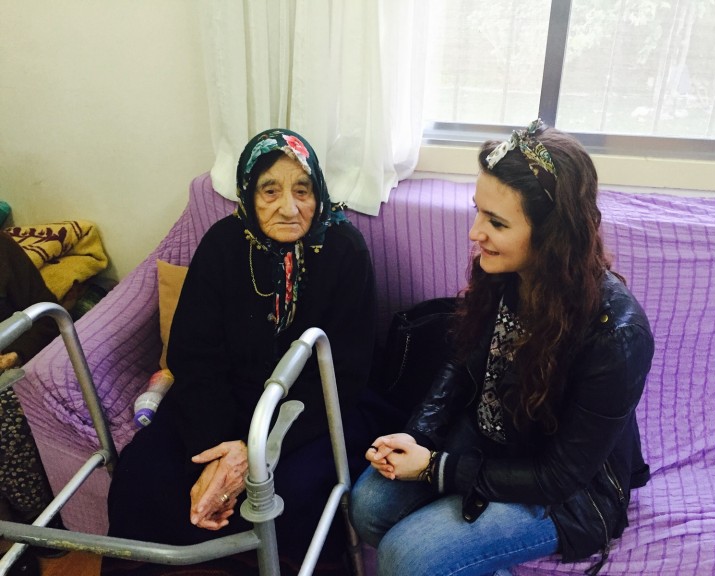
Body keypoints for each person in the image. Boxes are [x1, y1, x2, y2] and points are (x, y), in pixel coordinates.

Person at [350, 119, 655, 576]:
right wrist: (418, 437)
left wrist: (434, 468)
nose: (475, 233)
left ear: (552, 234)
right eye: (478, 212)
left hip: (566, 491)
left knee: (404, 555)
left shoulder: (618, 335)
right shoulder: (505, 272)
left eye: (495, 222)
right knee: (368, 506)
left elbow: (560, 475)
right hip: (490, 442)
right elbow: (460, 365)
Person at [106, 129, 378, 573]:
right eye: (270, 191)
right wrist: (219, 449)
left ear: (318, 192)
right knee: (142, 472)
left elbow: (347, 371)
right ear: (249, 194)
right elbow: (194, 355)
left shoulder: (344, 250)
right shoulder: (223, 244)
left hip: (307, 411)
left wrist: (257, 451)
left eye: (302, 190)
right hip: (220, 403)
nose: (289, 207)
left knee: (296, 490)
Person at [1, 230, 62, 575]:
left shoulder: (3, 251)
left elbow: (46, 318)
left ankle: (36, 524)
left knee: (4, 416)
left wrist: (12, 355)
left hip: (8, 363)